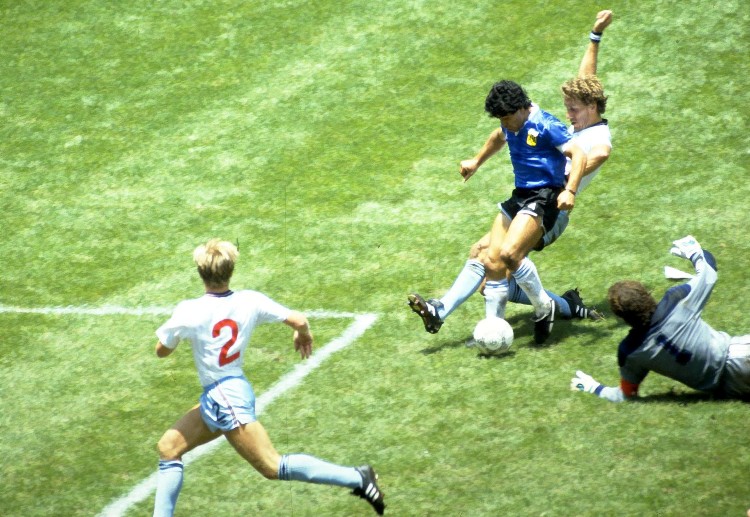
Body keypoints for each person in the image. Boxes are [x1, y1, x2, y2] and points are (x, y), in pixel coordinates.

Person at [408, 10, 613, 340]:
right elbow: (585, 79)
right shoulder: (568, 120)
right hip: (527, 197)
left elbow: (586, 156)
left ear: (592, 107)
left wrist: (568, 189)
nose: (568, 112)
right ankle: (442, 311)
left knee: (505, 259)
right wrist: (595, 35)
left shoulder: (596, 140)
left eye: (573, 108)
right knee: (483, 257)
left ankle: (545, 308)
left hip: (551, 204)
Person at [152, 239, 385, 516]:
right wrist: (303, 335)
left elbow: (162, 351)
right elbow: (299, 320)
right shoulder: (250, 300)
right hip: (227, 392)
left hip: (226, 398)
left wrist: (177, 335)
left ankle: (358, 478)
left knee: (272, 466)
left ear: (200, 272)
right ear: (230, 270)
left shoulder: (189, 310)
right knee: (169, 447)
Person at [570, 236, 750, 402]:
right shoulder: (676, 301)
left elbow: (626, 395)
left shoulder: (630, 350)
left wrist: (594, 387)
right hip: (740, 355)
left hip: (729, 389)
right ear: (647, 294)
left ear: (622, 317)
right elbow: (709, 270)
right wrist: (694, 252)